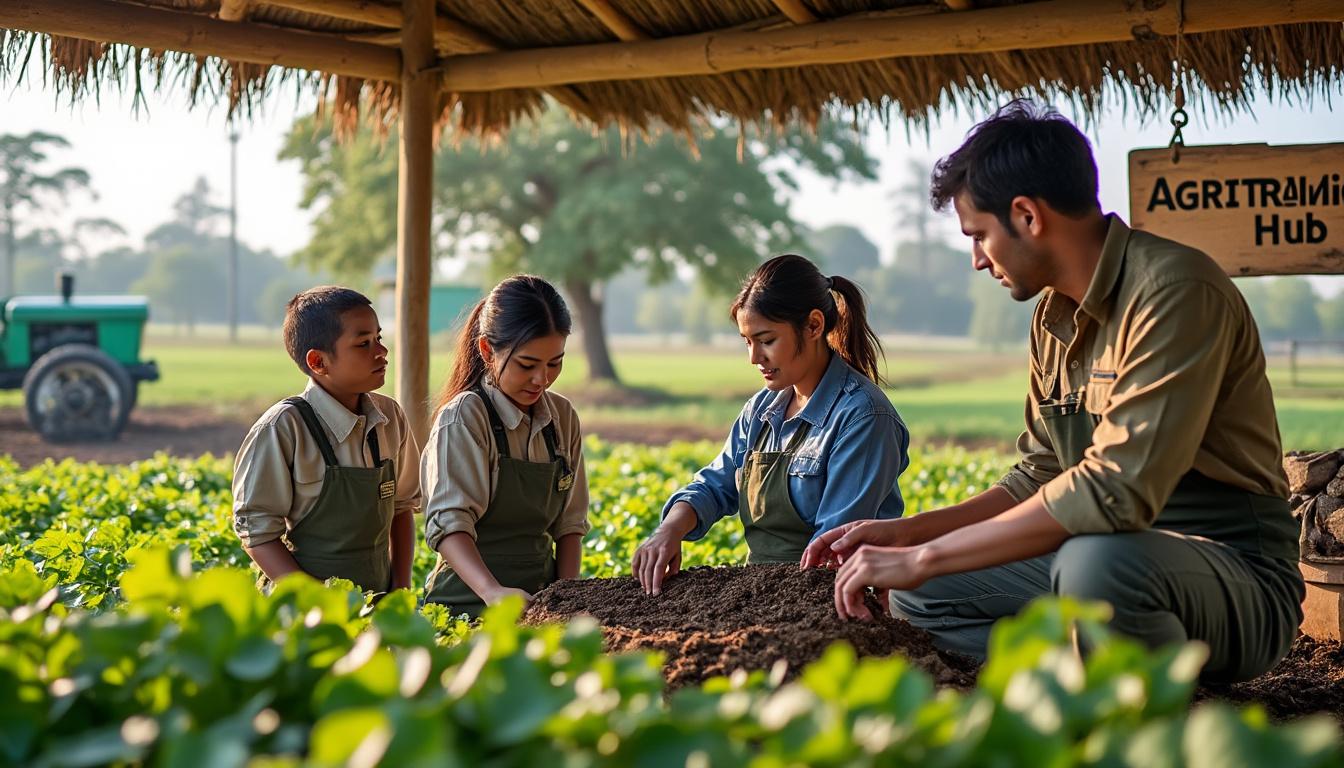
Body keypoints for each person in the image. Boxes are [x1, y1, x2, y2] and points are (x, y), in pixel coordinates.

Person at [803, 100, 1304, 684]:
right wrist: (910, 536)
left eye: (979, 235)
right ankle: (1083, 671)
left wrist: (925, 554)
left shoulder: (1174, 291)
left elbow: (1116, 491)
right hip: (1104, 552)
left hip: (1233, 574)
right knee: (922, 591)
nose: (976, 260)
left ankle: (1141, 705)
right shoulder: (1051, 318)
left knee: (1097, 566)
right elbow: (1039, 472)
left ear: (1027, 215)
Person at [633, 254, 910, 595]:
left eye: (766, 341)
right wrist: (669, 530)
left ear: (813, 326)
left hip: (834, 596)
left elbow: (833, 548)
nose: (754, 358)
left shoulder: (863, 417)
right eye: (747, 342)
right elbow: (715, 485)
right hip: (767, 592)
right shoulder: (761, 409)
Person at [232, 286, 422, 594]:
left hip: (379, 604)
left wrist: (399, 592)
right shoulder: (284, 428)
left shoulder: (390, 417)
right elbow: (258, 533)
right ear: (318, 362)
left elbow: (401, 508)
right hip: (303, 609)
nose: (381, 351)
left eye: (379, 338)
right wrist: (317, 603)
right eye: (363, 343)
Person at [421, 275, 589, 618]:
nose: (542, 379)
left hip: (541, 604)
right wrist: (492, 592)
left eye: (554, 363)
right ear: (487, 350)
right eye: (527, 365)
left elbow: (570, 526)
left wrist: (565, 595)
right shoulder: (465, 417)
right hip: (467, 605)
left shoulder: (563, 417)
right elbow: (449, 525)